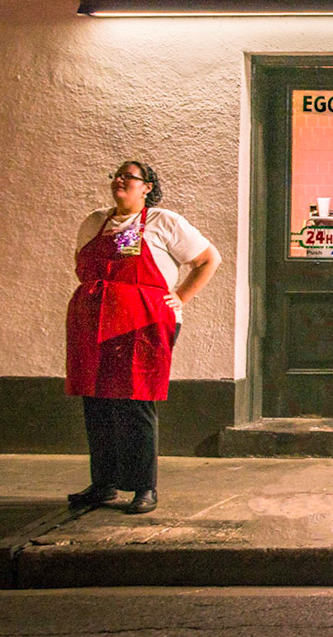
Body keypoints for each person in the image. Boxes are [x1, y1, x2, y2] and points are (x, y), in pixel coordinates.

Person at [64, 161, 221, 515]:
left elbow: (209, 259)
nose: (120, 181)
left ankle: (143, 487)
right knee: (97, 401)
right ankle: (103, 484)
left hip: (142, 324)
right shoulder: (94, 222)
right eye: (116, 176)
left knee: (134, 402)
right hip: (94, 322)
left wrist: (179, 297)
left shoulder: (164, 222)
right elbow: (81, 263)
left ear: (147, 186)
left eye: (129, 176)